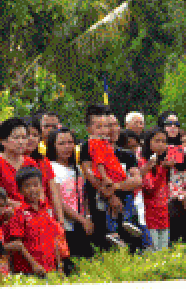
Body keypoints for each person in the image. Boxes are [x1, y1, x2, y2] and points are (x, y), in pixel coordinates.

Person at [79, 105, 144, 250]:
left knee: (132, 249)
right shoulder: (88, 147)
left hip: (126, 210)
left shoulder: (127, 154)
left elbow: (137, 180)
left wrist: (116, 187)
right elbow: (90, 174)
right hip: (101, 210)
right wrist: (110, 196)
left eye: (115, 125)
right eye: (106, 126)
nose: (111, 129)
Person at [4, 166, 66, 275]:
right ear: (20, 190)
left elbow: (54, 240)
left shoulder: (46, 211)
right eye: (27, 186)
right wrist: (34, 265)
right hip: (29, 270)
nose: (32, 189)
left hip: (50, 269)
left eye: (35, 185)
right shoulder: (19, 213)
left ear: (42, 187)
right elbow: (17, 244)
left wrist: (60, 266)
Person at [47, 128, 94, 262]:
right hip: (65, 226)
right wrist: (82, 220)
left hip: (82, 225)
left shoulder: (77, 168)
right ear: (53, 146)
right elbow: (58, 201)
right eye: (61, 143)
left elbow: (84, 195)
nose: (67, 147)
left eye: (70, 142)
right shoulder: (52, 168)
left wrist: (88, 218)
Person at [138, 128, 176, 250]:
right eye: (157, 141)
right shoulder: (144, 162)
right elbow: (150, 188)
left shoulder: (164, 162)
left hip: (163, 215)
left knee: (164, 254)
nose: (161, 145)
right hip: (149, 216)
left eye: (164, 142)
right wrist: (162, 169)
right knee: (153, 254)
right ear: (148, 142)